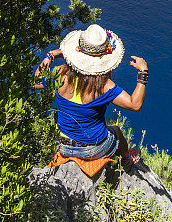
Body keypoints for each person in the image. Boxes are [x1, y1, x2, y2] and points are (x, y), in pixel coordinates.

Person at [35, 24, 148, 172]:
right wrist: (143, 72)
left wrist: (51, 55)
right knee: (116, 132)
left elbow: (37, 82)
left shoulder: (60, 73)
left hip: (63, 146)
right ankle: (127, 162)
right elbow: (135, 104)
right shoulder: (104, 86)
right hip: (92, 149)